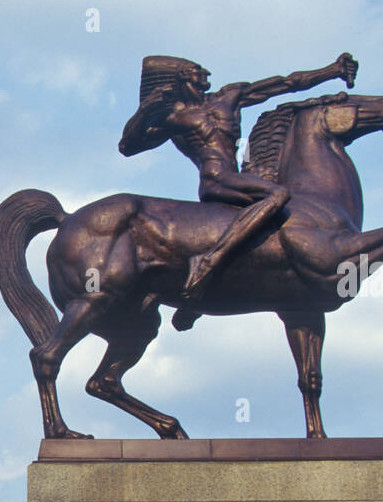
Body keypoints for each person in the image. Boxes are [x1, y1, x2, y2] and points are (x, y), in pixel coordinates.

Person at [119, 53, 357, 328]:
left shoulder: (228, 97)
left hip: (241, 179)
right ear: (181, 77)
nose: (206, 73)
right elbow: (128, 146)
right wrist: (146, 110)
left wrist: (331, 70)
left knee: (279, 221)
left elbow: (285, 83)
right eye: (197, 70)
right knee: (278, 195)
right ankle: (208, 261)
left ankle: (202, 295)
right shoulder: (174, 117)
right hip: (217, 180)